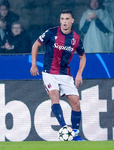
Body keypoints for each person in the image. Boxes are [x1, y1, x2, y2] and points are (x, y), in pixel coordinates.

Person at [30, 10, 86, 141]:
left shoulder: (76, 39)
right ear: (60, 20)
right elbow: (36, 45)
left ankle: (75, 135)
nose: (64, 21)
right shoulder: (51, 32)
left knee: (76, 104)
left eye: (67, 19)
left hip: (65, 74)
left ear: (72, 21)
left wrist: (79, 73)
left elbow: (83, 57)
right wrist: (33, 64)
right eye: (62, 19)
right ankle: (65, 128)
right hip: (49, 72)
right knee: (54, 96)